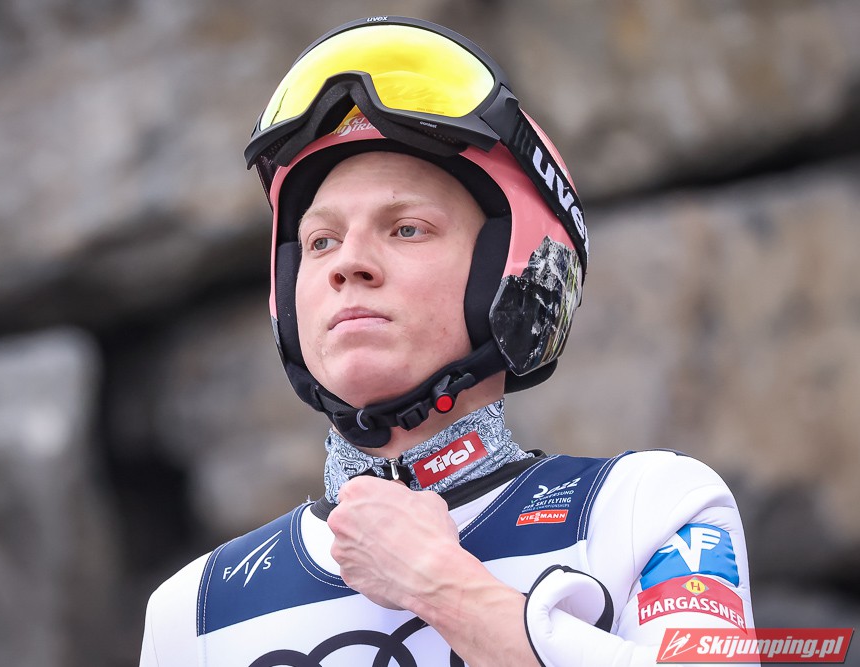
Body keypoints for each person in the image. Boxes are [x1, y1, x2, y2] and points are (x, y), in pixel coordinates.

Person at [139, 16, 753, 667]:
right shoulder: (196, 610)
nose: (349, 263)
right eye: (321, 240)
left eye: (406, 228)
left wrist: (441, 585)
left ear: (517, 271)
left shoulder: (646, 508)